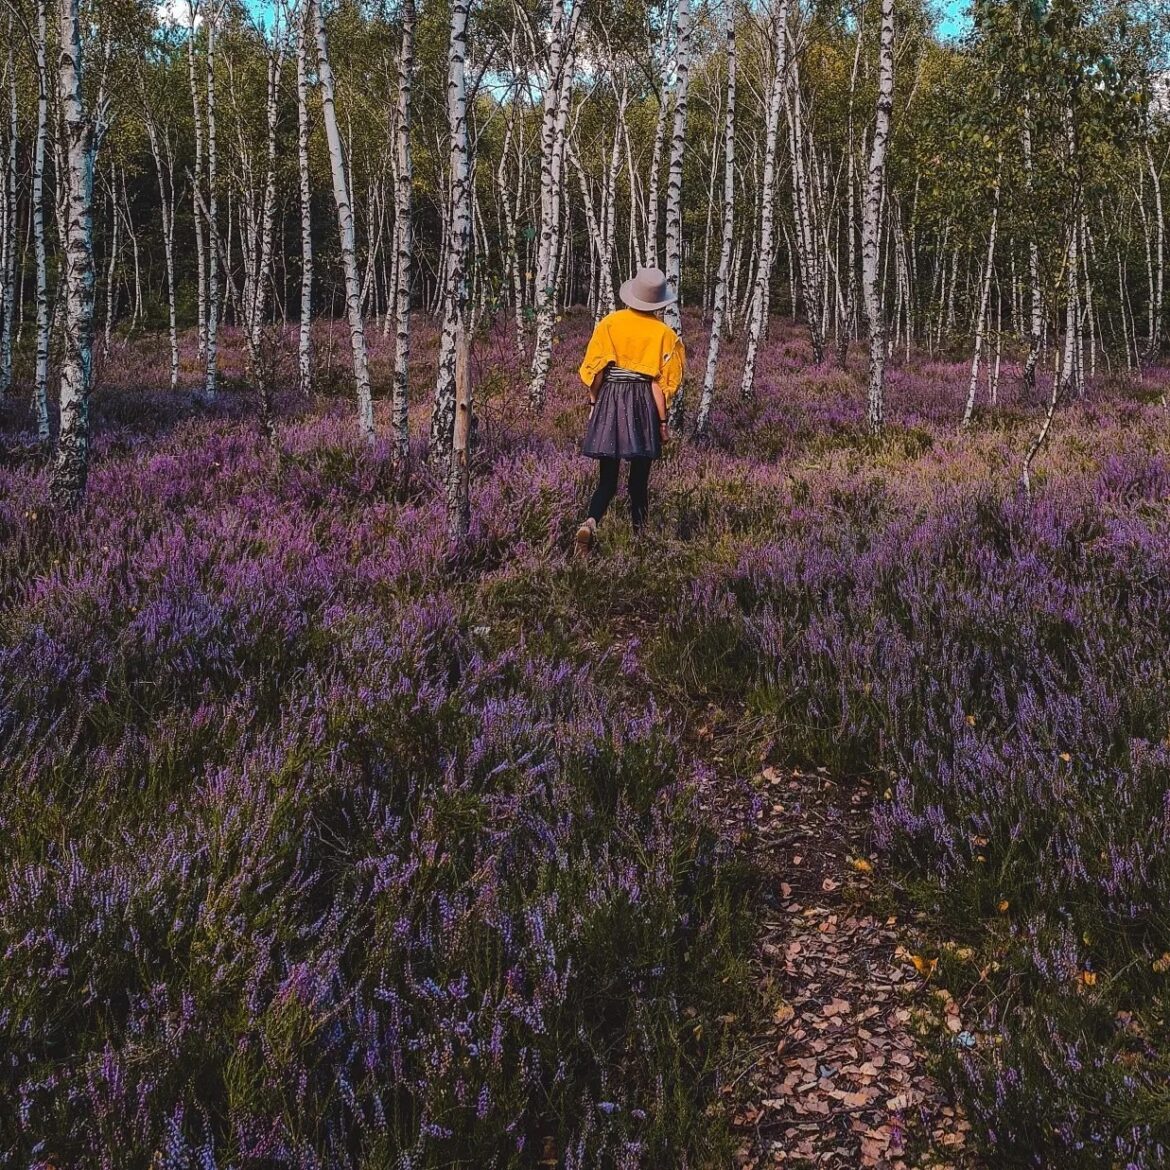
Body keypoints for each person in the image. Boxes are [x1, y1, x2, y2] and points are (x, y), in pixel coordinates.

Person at [574, 266, 685, 556]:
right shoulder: (664, 334)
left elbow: (596, 372)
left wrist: (594, 403)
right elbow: (659, 385)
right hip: (643, 402)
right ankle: (640, 538)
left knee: (607, 480)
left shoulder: (610, 323)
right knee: (639, 481)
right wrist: (662, 423)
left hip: (610, 399)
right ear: (658, 302)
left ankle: (590, 522)